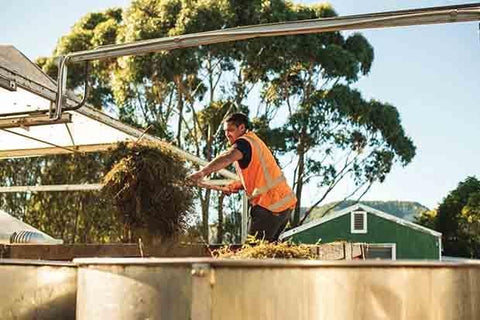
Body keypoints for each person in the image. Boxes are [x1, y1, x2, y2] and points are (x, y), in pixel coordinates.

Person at [188, 113, 297, 242]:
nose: (227, 134)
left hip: (269, 206)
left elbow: (228, 157)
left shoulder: (244, 143)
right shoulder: (255, 143)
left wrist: (201, 173)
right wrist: (234, 186)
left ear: (242, 128)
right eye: (225, 131)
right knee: (267, 252)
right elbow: (258, 177)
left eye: (231, 130)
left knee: (254, 253)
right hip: (284, 206)